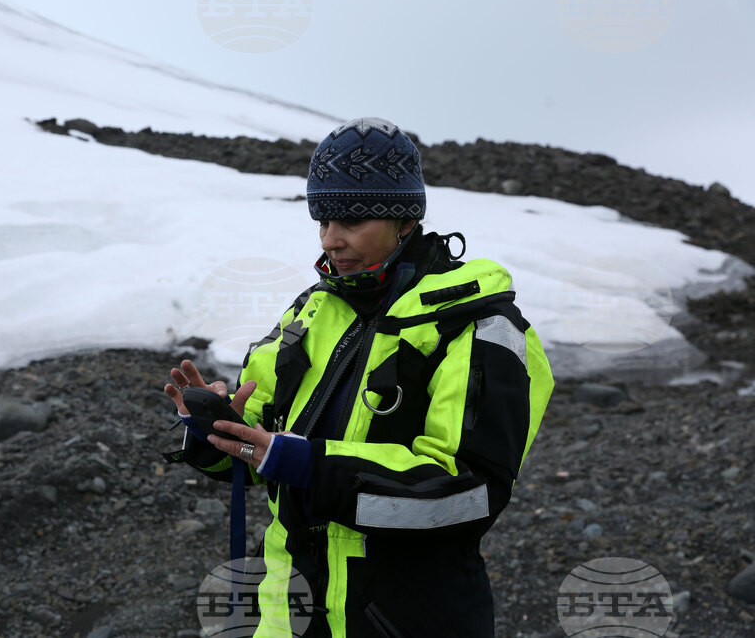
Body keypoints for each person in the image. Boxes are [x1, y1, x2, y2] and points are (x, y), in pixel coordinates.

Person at [163, 117, 554, 637]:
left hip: (406, 619)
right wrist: (220, 431)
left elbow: (468, 491)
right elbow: (261, 445)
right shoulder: (312, 312)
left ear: (405, 220)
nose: (332, 240)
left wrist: (307, 464)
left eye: (351, 220)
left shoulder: (479, 325)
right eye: (322, 221)